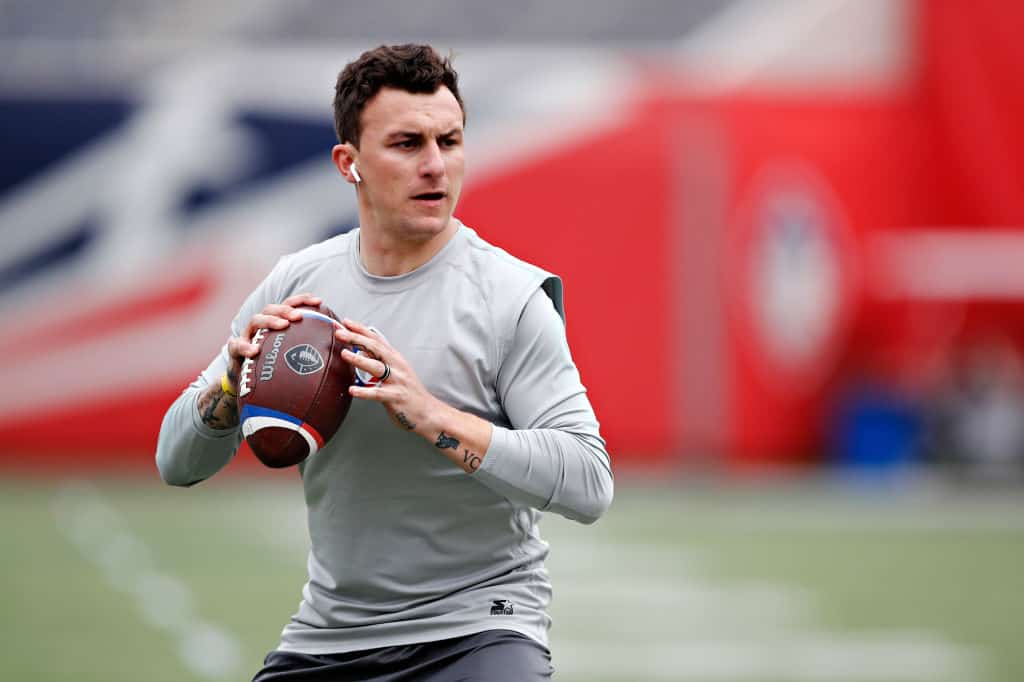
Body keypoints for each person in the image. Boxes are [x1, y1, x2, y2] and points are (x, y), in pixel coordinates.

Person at [156, 43, 613, 681]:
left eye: (449, 142)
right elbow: (175, 463)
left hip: (480, 631)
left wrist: (434, 417)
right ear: (350, 163)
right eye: (407, 144)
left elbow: (590, 483)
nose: (436, 166)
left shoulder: (510, 296)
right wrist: (231, 387)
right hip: (329, 634)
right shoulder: (297, 285)